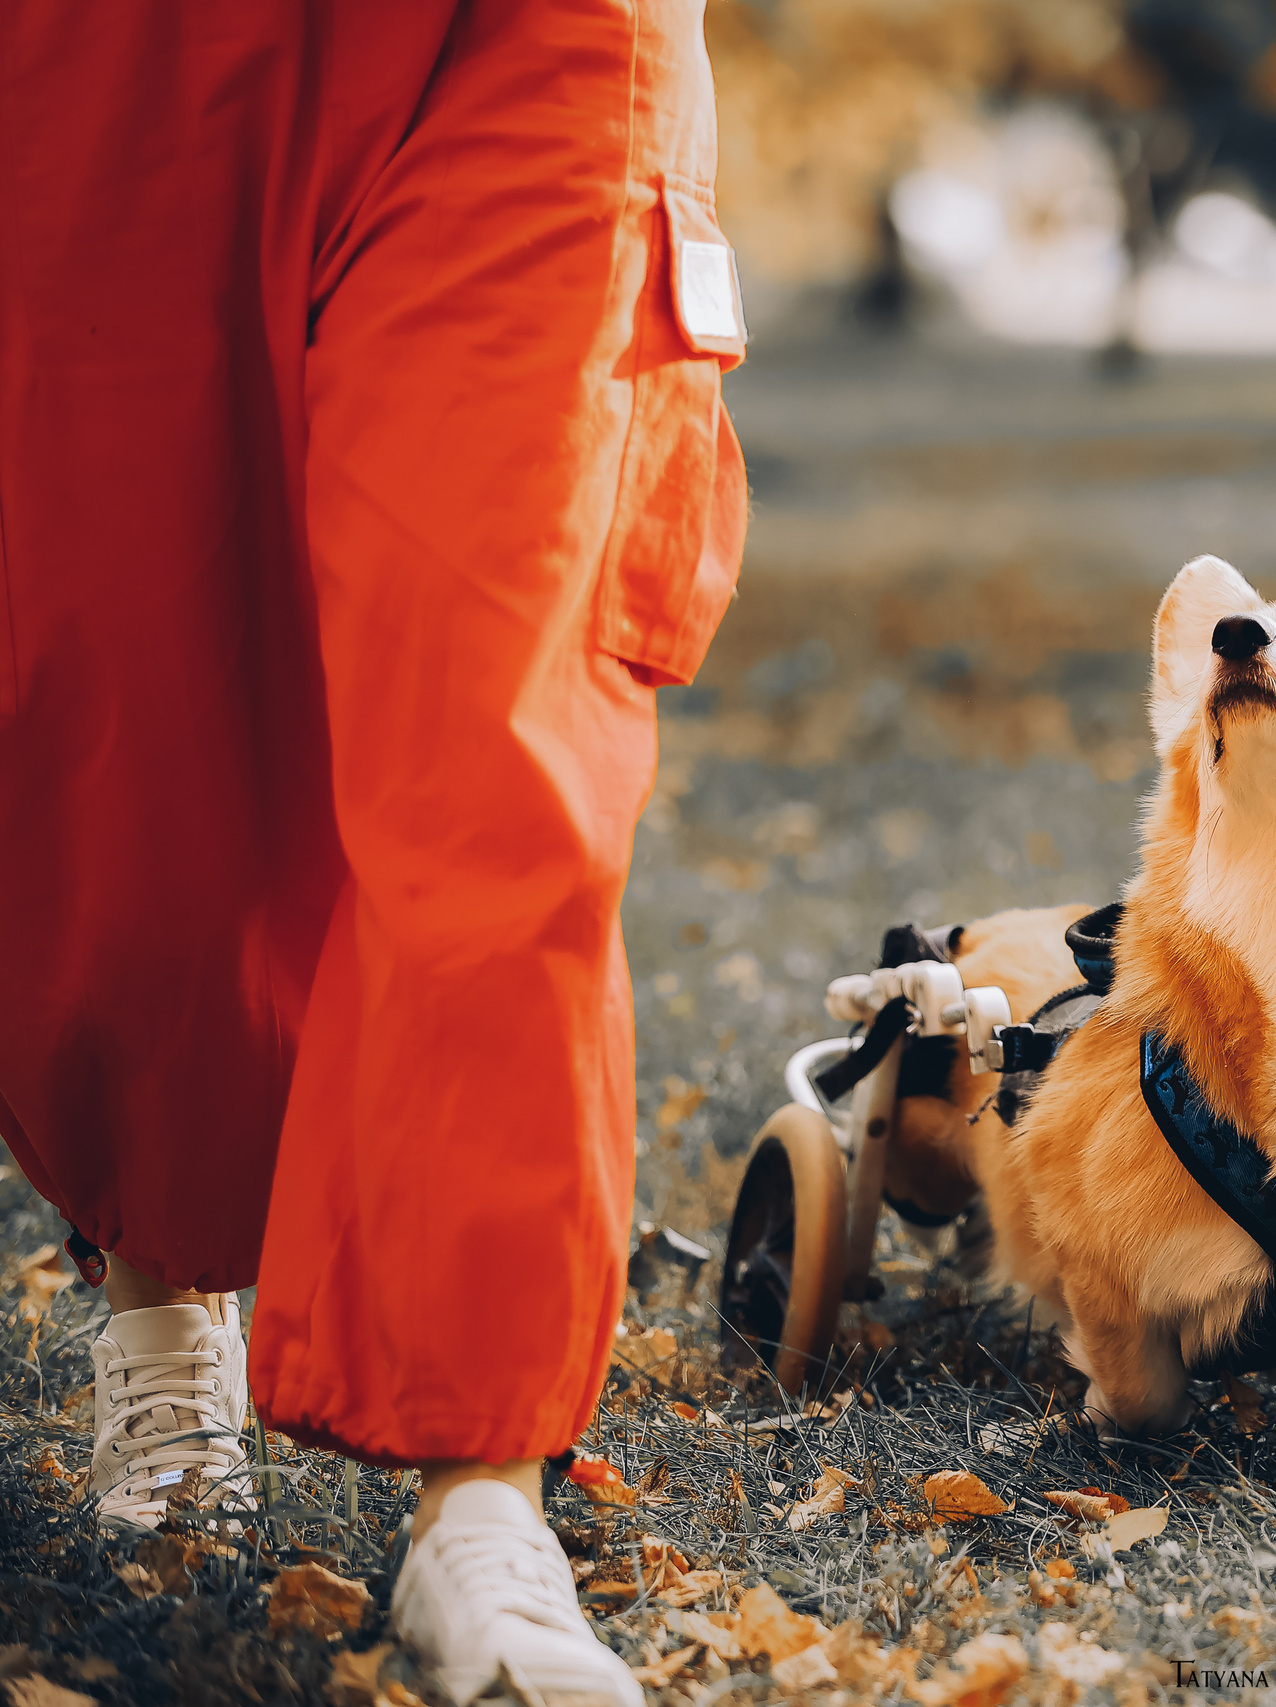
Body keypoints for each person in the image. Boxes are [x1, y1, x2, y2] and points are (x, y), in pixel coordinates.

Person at [0, 3, 748, 1700]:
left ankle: (479, 1496)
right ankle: (162, 1300)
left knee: (502, 731)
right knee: (134, 710)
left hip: (529, 41)